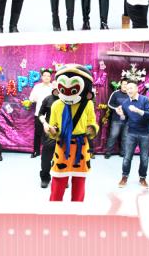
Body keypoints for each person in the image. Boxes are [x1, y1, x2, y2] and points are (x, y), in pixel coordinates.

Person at [47, 64, 98, 202]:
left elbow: (92, 121)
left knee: (79, 181)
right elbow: (53, 125)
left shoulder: (88, 104)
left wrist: (92, 128)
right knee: (58, 180)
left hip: (81, 145)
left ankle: (77, 209)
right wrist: (52, 130)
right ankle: (54, 209)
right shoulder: (56, 105)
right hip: (62, 145)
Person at [117, 77, 149, 189]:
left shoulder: (144, 100)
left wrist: (137, 110)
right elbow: (125, 119)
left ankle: (142, 178)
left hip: (145, 133)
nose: (129, 90)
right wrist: (121, 115)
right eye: (127, 88)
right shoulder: (125, 103)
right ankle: (124, 177)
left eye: (131, 88)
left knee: (144, 158)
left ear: (137, 89)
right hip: (131, 133)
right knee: (127, 157)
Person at [37, 80, 60, 188]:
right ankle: (45, 178)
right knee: (46, 158)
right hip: (50, 133)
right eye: (54, 85)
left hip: (63, 134)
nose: (56, 88)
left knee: (63, 158)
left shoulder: (68, 100)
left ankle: (62, 178)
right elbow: (40, 114)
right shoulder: (48, 99)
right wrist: (45, 123)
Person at [29, 68, 55, 157]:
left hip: (51, 115)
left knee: (51, 134)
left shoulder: (53, 87)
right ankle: (36, 151)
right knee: (38, 133)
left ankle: (50, 152)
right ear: (41, 77)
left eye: (48, 76)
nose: (46, 77)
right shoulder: (37, 87)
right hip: (39, 114)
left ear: (51, 77)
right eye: (44, 75)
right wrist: (36, 98)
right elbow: (31, 99)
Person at [104, 78, 129, 158]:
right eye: (124, 84)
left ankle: (123, 152)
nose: (125, 86)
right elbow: (109, 103)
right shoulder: (115, 93)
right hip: (116, 119)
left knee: (125, 137)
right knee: (113, 135)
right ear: (120, 84)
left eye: (127, 84)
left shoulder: (131, 94)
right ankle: (108, 152)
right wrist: (116, 108)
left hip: (127, 120)